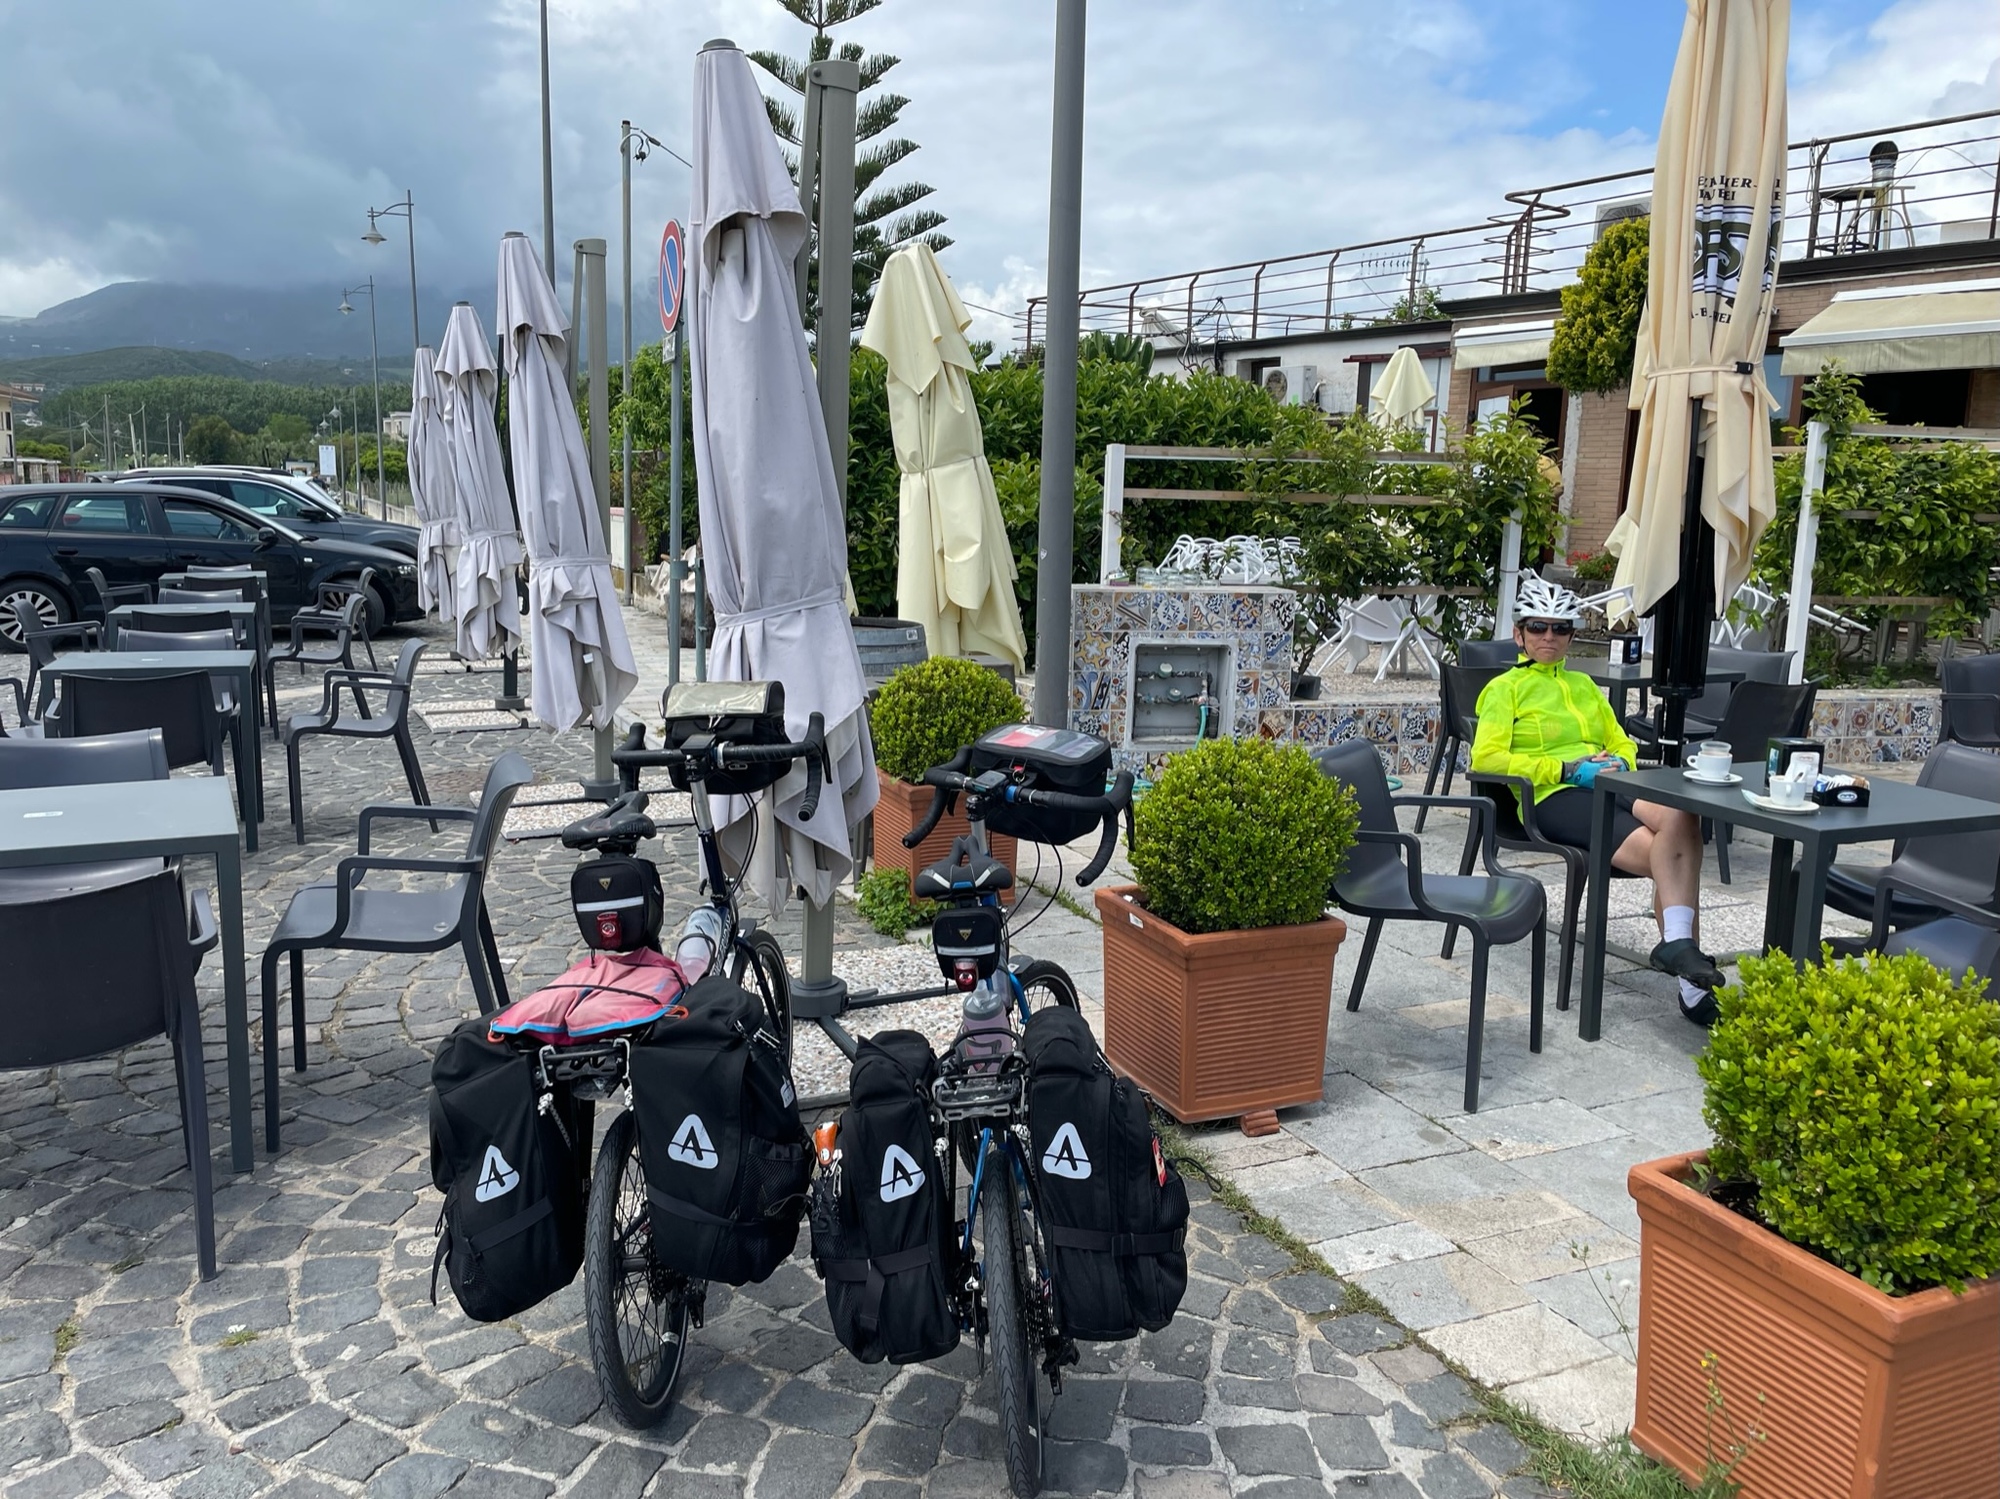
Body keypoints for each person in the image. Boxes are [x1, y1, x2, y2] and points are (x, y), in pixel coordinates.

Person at [1469, 574, 1722, 1026]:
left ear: (1571, 635)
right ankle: (1691, 985)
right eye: (1538, 626)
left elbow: (1621, 740)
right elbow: (1485, 757)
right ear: (1519, 634)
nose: (1549, 636)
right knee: (1672, 856)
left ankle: (1677, 947)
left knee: (1683, 819)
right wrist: (1565, 769)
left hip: (1608, 783)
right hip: (1553, 796)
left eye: (1560, 628)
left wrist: (1619, 762)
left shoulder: (1584, 685)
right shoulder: (1504, 689)